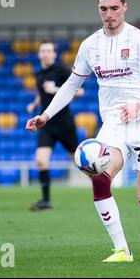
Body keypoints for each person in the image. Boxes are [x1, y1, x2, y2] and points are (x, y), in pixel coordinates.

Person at [25, 0, 140, 262]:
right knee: (100, 176)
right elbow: (71, 85)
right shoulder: (90, 46)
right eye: (103, 9)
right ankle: (122, 249)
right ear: (99, 9)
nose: (109, 14)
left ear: (124, 7)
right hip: (113, 126)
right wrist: (46, 114)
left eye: (114, 8)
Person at [26, 40, 84, 211]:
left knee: (80, 162)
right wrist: (35, 103)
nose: (45, 53)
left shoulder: (62, 71)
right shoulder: (38, 74)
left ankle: (102, 190)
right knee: (40, 161)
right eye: (42, 50)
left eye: (49, 50)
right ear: (38, 54)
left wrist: (55, 89)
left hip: (64, 123)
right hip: (47, 125)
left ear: (55, 54)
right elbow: (41, 93)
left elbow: (80, 91)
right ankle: (46, 201)